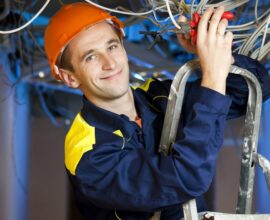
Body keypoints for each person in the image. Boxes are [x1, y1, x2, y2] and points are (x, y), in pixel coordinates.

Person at [44, 2, 270, 220]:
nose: (110, 63)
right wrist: (212, 76)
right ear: (70, 77)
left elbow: (254, 91)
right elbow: (186, 177)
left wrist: (216, 59)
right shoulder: (87, 154)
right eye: (90, 56)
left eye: (112, 46)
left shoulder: (156, 95)